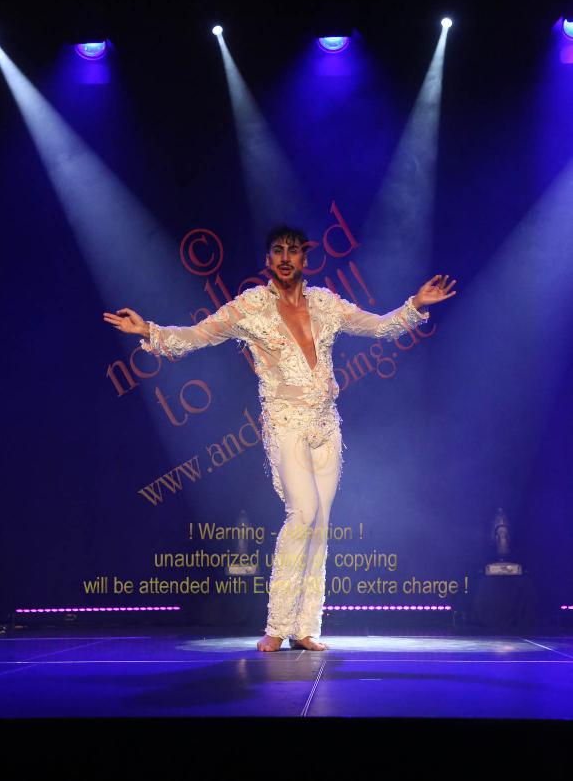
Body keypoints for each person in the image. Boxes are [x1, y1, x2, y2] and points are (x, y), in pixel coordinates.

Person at [103, 225, 457, 651]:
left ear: (305, 259)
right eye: (277, 251)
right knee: (302, 512)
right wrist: (149, 331)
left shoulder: (325, 303)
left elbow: (378, 327)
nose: (286, 258)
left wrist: (415, 305)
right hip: (285, 423)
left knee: (320, 522)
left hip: (326, 426)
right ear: (268, 260)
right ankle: (277, 625)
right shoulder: (250, 307)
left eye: (293, 251)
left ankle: (306, 627)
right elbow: (198, 335)